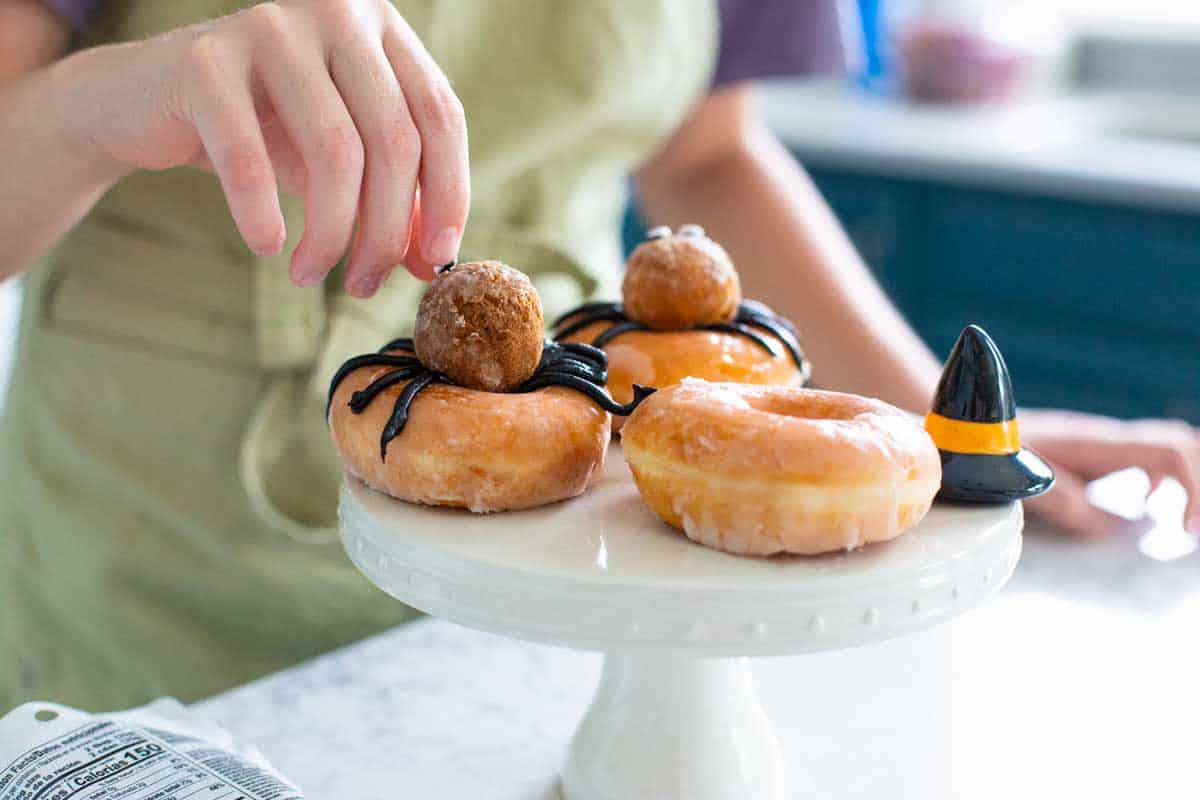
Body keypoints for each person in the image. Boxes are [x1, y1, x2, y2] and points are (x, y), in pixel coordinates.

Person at [1, 0, 1197, 711]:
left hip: (590, 549)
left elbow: (711, 153)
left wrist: (949, 433)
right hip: (154, 563)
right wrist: (102, 100)